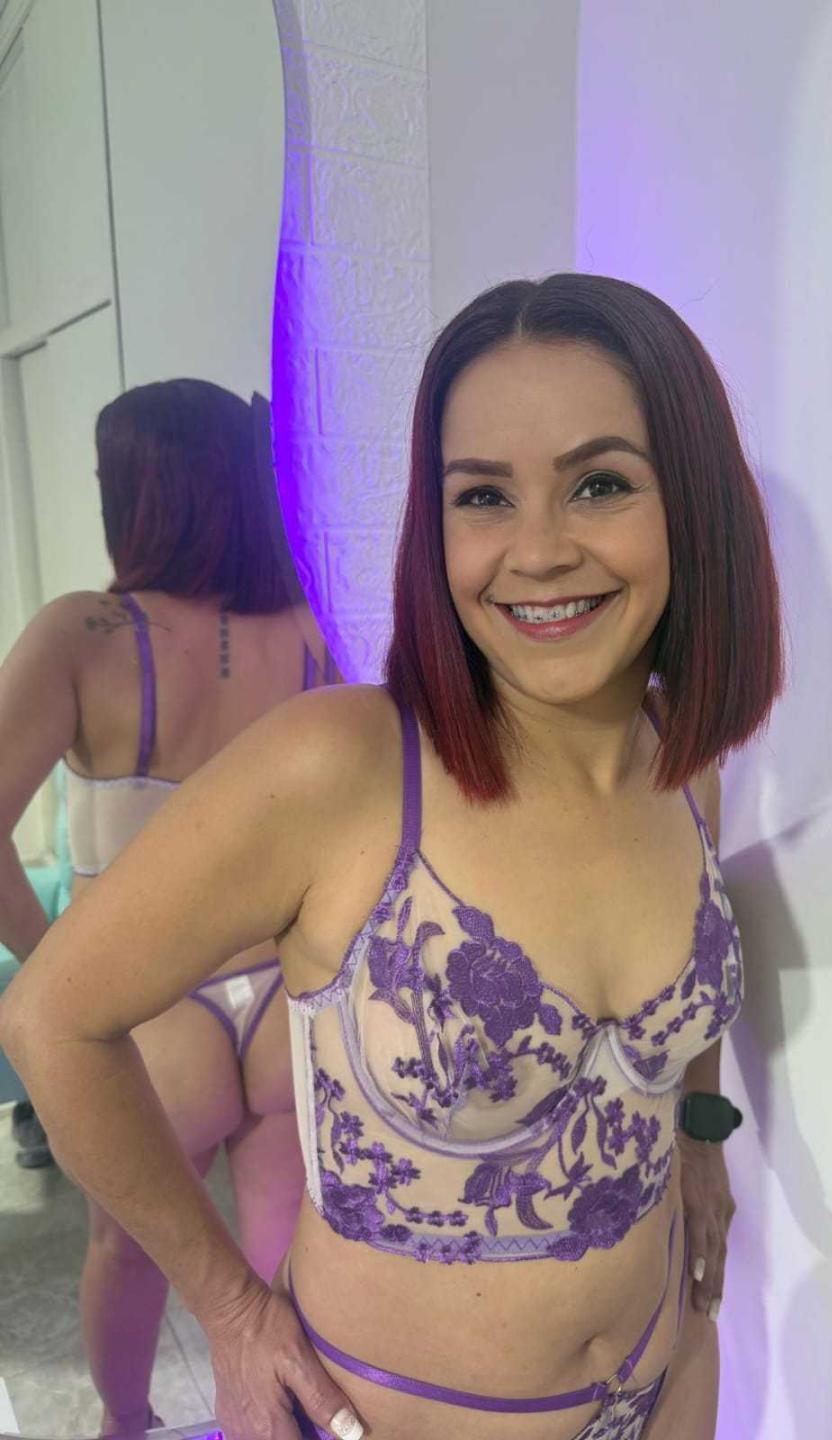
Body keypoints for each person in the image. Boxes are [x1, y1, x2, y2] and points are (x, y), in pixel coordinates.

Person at [0, 275, 783, 1440]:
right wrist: (230, 1312)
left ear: (694, 502)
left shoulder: (684, 760)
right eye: (484, 496)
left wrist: (702, 1142)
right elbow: (52, 1020)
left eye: (600, 483)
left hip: (669, 1384)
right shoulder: (346, 766)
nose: (539, 550)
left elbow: (685, 1015)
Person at [0, 379, 335, 1434]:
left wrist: (55, 967)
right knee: (285, 1253)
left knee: (128, 1249)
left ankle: (127, 1424)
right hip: (285, 998)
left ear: (138, 492)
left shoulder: (82, 633)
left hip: (147, 1018)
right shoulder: (308, 628)